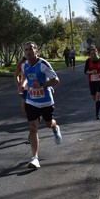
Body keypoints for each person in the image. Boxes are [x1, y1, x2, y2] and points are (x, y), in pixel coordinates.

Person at [18, 41, 62, 169]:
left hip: (46, 101)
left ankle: (55, 128)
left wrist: (42, 85)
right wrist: (23, 85)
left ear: (36, 51)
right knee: (33, 128)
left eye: (31, 49)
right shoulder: (24, 65)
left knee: (48, 124)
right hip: (31, 100)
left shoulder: (43, 64)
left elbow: (56, 81)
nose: (28, 52)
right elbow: (25, 77)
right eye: (26, 50)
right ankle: (35, 158)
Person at [84, 46, 100, 120]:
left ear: (96, 53)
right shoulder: (88, 61)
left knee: (98, 96)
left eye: (94, 53)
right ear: (90, 54)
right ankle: (97, 101)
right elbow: (85, 71)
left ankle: (97, 114)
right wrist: (91, 72)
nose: (93, 54)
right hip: (92, 81)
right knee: (94, 97)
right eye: (91, 53)